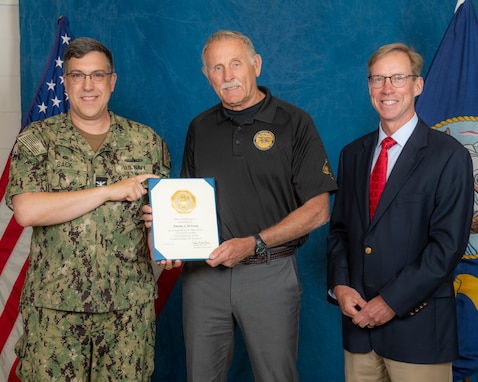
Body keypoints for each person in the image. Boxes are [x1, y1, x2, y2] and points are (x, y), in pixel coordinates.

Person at [163, 29, 336, 382]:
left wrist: (253, 242)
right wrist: (170, 240)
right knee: (201, 376)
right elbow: (186, 203)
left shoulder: (294, 123)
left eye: (236, 64)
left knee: (276, 377)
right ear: (206, 75)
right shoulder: (200, 127)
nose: (227, 77)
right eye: (216, 68)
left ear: (256, 65)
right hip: (204, 277)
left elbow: (319, 210)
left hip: (269, 272)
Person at [6, 37, 175, 381]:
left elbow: (157, 218)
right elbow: (27, 210)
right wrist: (110, 192)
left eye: (97, 75)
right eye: (77, 75)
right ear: (65, 82)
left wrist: (167, 243)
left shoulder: (147, 142)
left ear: (113, 81)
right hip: (55, 312)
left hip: (127, 312)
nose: (88, 86)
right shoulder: (36, 140)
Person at [327, 42, 474, 382]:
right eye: (377, 79)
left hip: (419, 332)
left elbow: (447, 247)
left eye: (397, 77)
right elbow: (340, 232)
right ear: (369, 87)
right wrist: (341, 285)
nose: (387, 88)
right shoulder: (352, 154)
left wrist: (390, 301)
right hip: (359, 331)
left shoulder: (449, 156)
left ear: (417, 85)